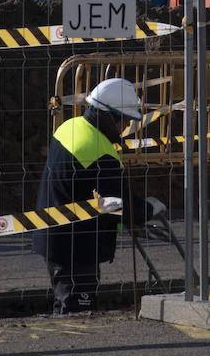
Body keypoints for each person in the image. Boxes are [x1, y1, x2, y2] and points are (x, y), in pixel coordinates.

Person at [34, 78, 162, 315]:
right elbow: (119, 205)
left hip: (55, 236)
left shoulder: (70, 127)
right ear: (108, 116)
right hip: (76, 246)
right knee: (76, 312)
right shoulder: (100, 151)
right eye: (122, 120)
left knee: (64, 303)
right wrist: (148, 209)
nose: (124, 127)